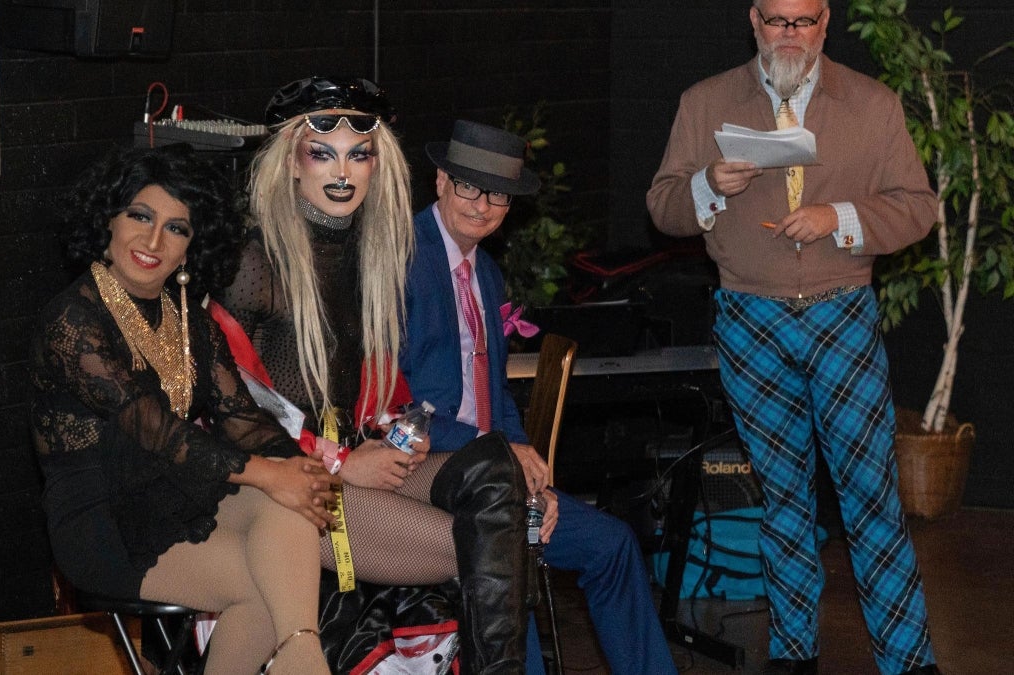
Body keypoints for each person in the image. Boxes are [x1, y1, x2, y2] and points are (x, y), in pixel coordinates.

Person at [646, 1, 941, 674]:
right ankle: (792, 654)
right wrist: (707, 185)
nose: (791, 35)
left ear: (826, 21)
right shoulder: (706, 102)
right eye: (777, 21)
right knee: (782, 494)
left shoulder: (872, 103)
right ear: (753, 20)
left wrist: (839, 217)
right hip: (751, 317)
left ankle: (911, 661)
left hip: (843, 312)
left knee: (871, 496)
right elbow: (661, 207)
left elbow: (918, 206)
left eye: (804, 21)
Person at [212, 76, 530, 674]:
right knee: (476, 546)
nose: (343, 171)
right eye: (323, 153)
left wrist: (399, 425)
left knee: (495, 469)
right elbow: (236, 405)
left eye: (359, 155)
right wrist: (339, 461)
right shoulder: (254, 259)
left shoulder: (374, 252)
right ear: (291, 162)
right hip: (280, 478)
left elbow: (380, 380)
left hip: (354, 457)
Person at [29, 144, 337, 675]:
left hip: (175, 492)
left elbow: (242, 420)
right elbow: (155, 431)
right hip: (104, 521)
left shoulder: (188, 323)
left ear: (192, 246)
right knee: (271, 585)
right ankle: (306, 662)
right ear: (108, 219)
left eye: (176, 228)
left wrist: (300, 471)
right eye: (140, 216)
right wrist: (271, 474)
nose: (153, 241)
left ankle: (303, 658)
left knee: (284, 506)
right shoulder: (72, 321)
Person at [401, 119, 679, 675]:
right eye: (468, 187)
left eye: (498, 193)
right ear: (440, 182)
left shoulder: (487, 275)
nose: (482, 206)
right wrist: (500, 457)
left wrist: (528, 467)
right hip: (421, 466)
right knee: (509, 560)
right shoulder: (404, 260)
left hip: (489, 467)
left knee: (612, 544)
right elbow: (398, 405)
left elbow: (496, 391)